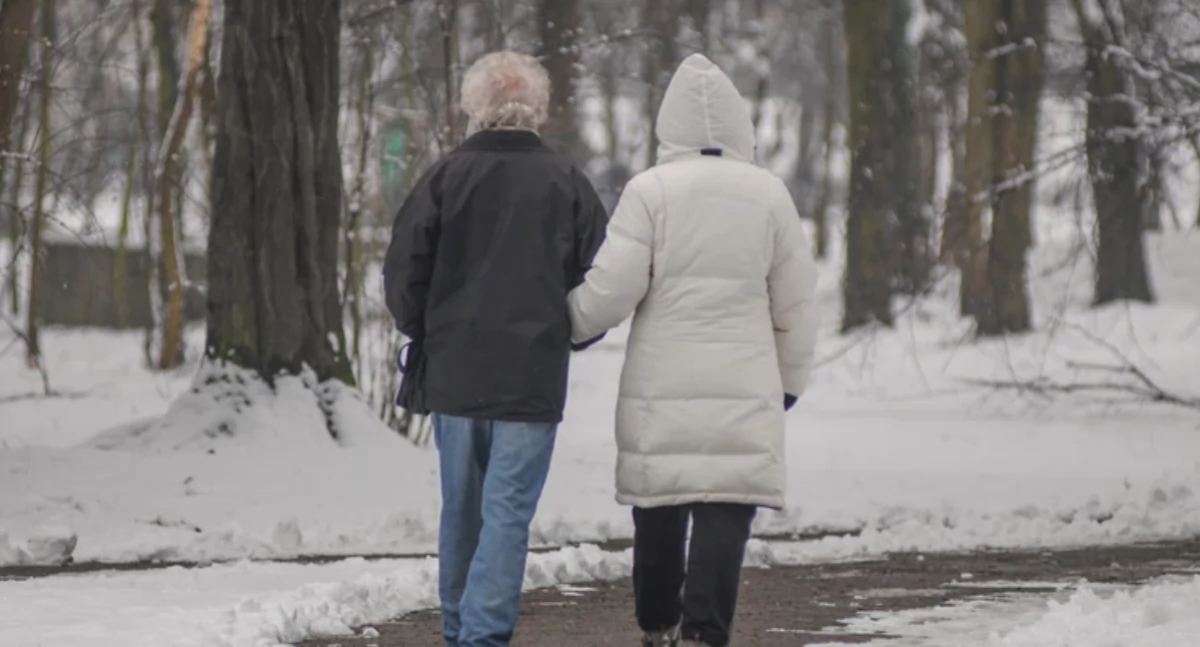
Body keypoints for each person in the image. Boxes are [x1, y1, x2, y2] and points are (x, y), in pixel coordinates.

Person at [566, 54, 820, 647]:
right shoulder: (769, 195)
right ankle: (705, 632)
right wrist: (790, 381)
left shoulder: (650, 191)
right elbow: (796, 302)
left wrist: (569, 323)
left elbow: (614, 287)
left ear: (668, 127)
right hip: (744, 381)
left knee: (660, 505)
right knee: (725, 512)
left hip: (663, 386)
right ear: (739, 127)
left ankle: (658, 623)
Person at [382, 51, 608, 647]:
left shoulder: (443, 177)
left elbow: (403, 271)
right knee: (507, 515)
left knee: (462, 509)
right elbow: (599, 277)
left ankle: (462, 629)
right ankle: (481, 636)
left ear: (474, 106)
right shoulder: (568, 182)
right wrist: (572, 331)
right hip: (531, 376)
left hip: (456, 370)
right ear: (538, 108)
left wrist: (425, 329)